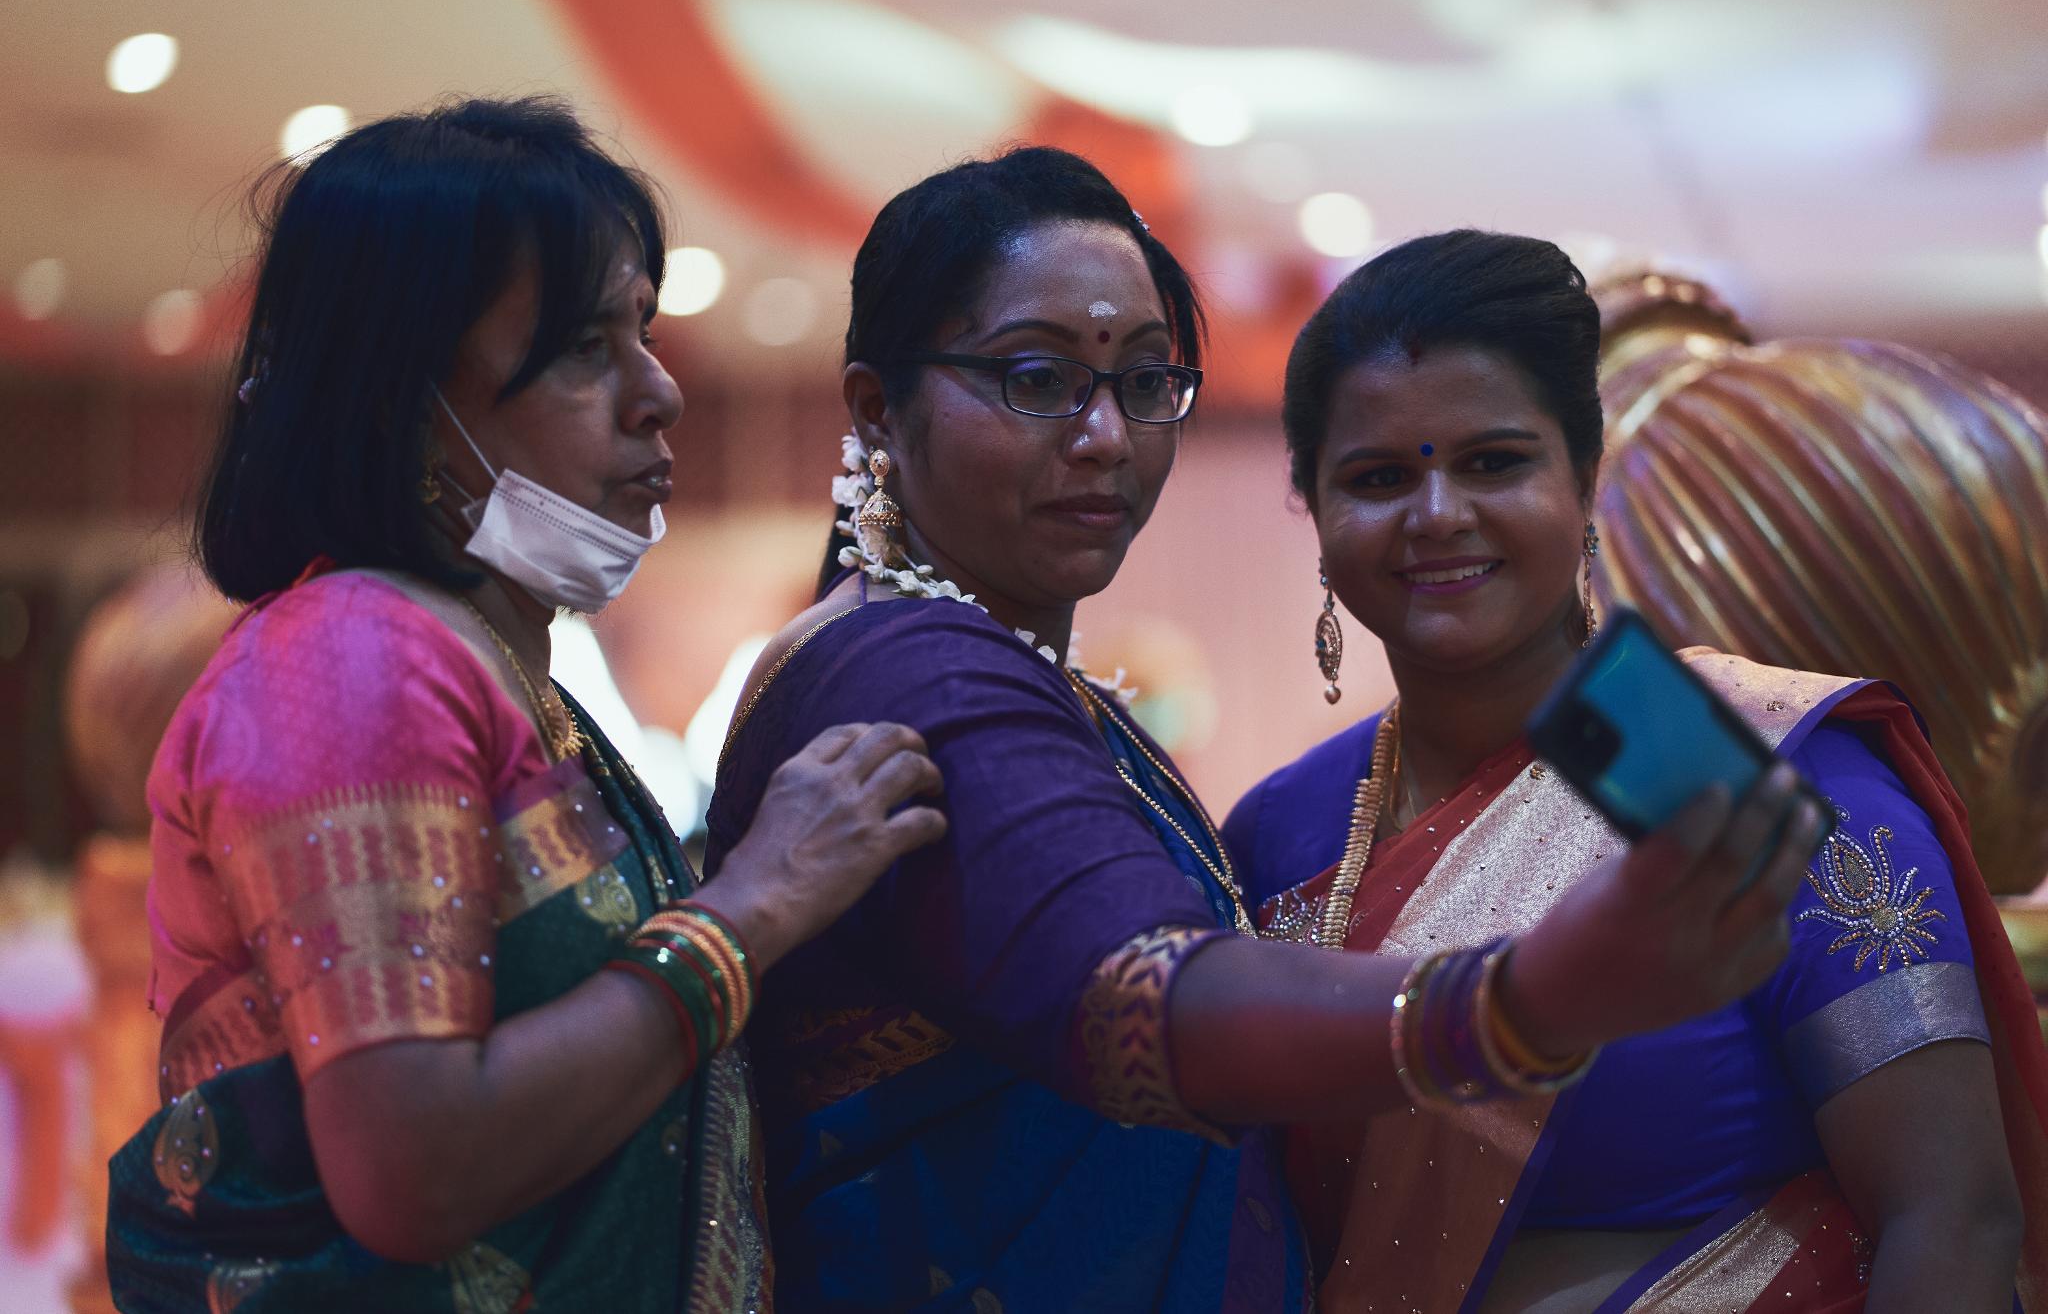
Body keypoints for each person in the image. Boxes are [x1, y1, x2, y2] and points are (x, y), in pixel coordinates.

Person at [704, 148, 1827, 1312]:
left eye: (1144, 380)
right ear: (876, 410)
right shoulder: (938, 684)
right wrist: (1520, 1004)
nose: (1105, 436)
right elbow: (1144, 1005)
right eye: (1036, 379)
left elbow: (1930, 1192)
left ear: (1584, 480)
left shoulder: (1758, 745)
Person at [105, 96, 947, 1313]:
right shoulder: (354, 662)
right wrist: (751, 910)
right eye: (580, 348)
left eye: (641, 330)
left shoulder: (496, 666)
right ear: (398, 398)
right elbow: (415, 1167)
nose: (657, 391)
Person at [1225, 229, 2048, 1311]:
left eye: (1494, 462)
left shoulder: (1751, 767)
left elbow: (1951, 1214)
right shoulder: (1277, 832)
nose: (1437, 515)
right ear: (1317, 514)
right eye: (1377, 478)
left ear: (1584, 480)